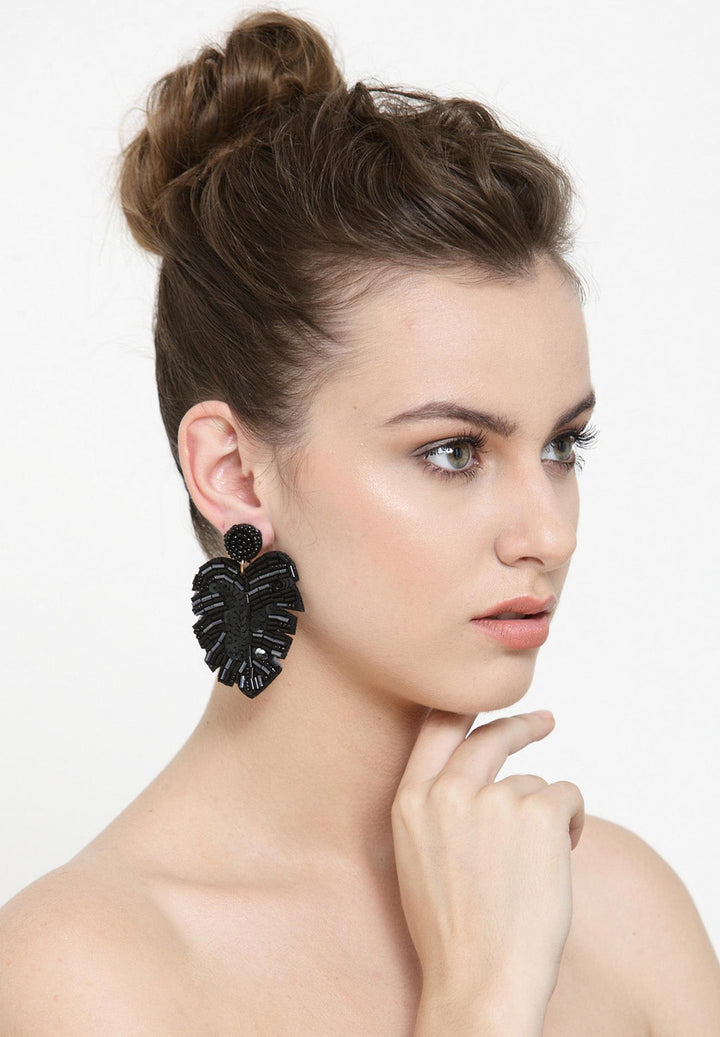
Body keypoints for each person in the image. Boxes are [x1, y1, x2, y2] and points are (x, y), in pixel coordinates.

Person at [1, 9, 719, 1034]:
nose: (548, 533)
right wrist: (480, 999)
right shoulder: (82, 979)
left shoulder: (623, 908)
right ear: (235, 474)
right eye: (453, 451)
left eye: (564, 445)